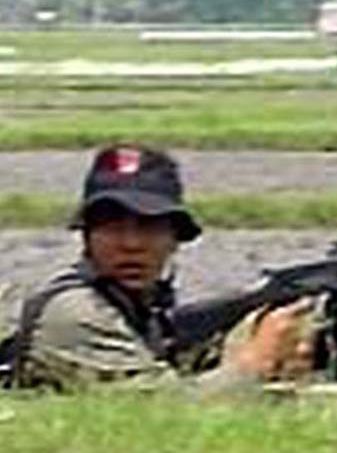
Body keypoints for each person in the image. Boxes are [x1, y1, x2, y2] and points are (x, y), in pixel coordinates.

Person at [6, 143, 314, 393]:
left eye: (149, 228)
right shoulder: (75, 311)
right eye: (113, 228)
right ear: (88, 237)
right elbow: (169, 410)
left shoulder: (137, 304)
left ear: (175, 239)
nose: (131, 244)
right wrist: (257, 359)